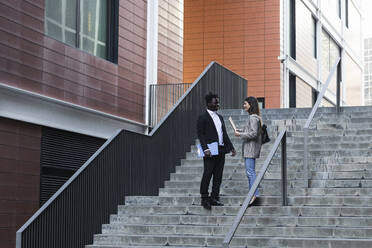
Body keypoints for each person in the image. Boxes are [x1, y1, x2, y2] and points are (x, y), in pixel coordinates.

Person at [197, 92, 236, 210]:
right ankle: (204, 198)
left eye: (218, 102)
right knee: (208, 173)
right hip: (210, 149)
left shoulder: (220, 117)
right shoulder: (202, 117)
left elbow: (224, 134)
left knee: (218, 175)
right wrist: (205, 149)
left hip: (221, 149)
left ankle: (214, 197)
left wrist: (231, 147)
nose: (218, 104)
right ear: (209, 103)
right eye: (215, 102)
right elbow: (200, 134)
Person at [234, 96, 262, 206]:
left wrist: (240, 134)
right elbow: (249, 131)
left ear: (250, 105)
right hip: (249, 149)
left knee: (250, 173)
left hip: (250, 149)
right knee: (250, 172)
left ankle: (255, 196)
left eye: (245, 103)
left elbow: (254, 133)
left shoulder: (253, 118)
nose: (244, 105)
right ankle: (253, 196)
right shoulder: (253, 117)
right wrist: (239, 131)